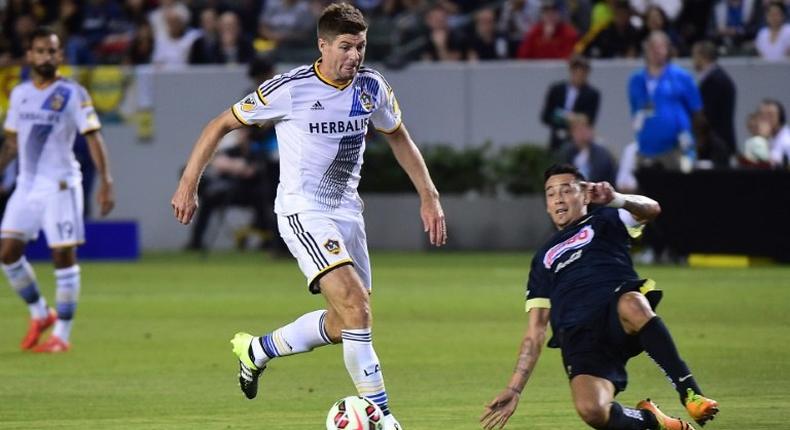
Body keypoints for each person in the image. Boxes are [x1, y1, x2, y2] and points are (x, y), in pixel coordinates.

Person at [170, 4, 446, 429]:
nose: (355, 56)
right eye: (346, 46)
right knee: (356, 308)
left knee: (343, 323)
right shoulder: (290, 88)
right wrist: (189, 183)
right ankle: (385, 421)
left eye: (361, 46)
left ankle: (257, 350)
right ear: (322, 45)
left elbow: (399, 138)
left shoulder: (371, 86)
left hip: (348, 215)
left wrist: (428, 195)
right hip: (304, 210)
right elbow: (219, 124)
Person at [481, 164, 719, 430]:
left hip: (614, 311)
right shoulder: (542, 258)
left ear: (585, 196)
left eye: (566, 190)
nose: (558, 198)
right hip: (578, 336)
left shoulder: (607, 219)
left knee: (633, 302)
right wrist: (514, 389)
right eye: (550, 193)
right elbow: (535, 331)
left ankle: (690, 393)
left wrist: (617, 199)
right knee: (592, 410)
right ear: (547, 205)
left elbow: (652, 209)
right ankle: (654, 422)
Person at [0, 27, 115, 353]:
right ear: (29, 55)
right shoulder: (20, 93)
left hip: (61, 185)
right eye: (40, 51)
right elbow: (11, 142)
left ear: (60, 56)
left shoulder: (73, 93)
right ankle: (40, 314)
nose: (46, 57)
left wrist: (106, 181)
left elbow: (93, 137)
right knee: (7, 253)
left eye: (52, 51)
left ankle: (61, 336)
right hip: (27, 185)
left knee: (63, 255)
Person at [628, 31, 703, 171]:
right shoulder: (636, 80)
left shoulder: (682, 77)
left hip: (676, 147)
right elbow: (635, 110)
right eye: (653, 47)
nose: (657, 51)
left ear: (668, 49)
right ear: (646, 49)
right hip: (646, 147)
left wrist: (691, 142)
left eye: (661, 47)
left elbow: (697, 111)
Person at [540, 54, 600, 152]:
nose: (579, 74)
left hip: (578, 142)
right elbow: (546, 116)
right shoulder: (556, 90)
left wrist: (564, 117)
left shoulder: (592, 94)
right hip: (556, 140)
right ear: (571, 71)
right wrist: (568, 118)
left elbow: (589, 119)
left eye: (583, 71)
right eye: (576, 70)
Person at [691, 40, 736, 160]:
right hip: (715, 144)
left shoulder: (715, 80)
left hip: (717, 146)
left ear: (703, 56)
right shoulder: (714, 78)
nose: (693, 60)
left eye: (694, 55)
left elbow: (707, 114)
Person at [561, 113, 617, 183]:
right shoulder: (567, 152)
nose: (581, 133)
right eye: (577, 130)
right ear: (571, 133)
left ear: (590, 130)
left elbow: (598, 176)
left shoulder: (601, 153)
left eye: (584, 129)